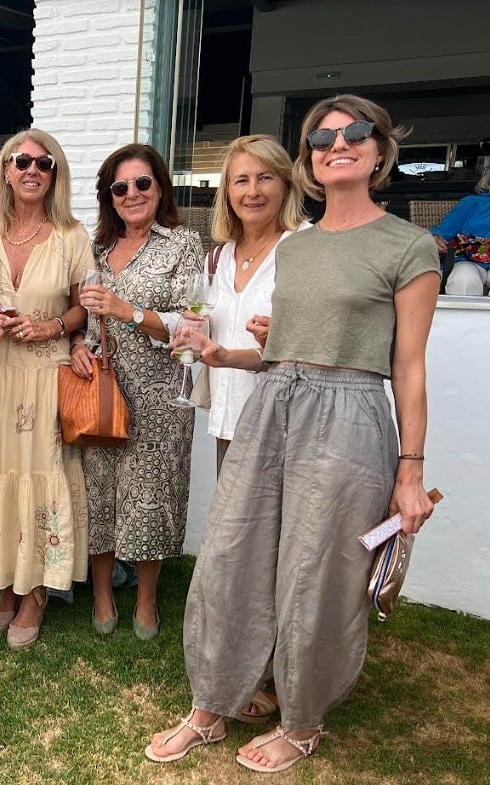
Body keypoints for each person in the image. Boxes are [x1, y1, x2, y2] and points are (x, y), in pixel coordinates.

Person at [147, 94, 439, 773]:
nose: (340, 144)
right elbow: (284, 348)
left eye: (356, 133)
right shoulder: (297, 247)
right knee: (230, 554)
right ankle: (211, 703)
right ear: (310, 157)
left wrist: (411, 469)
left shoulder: (408, 244)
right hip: (274, 403)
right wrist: (232, 355)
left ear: (379, 148)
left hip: (351, 412)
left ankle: (303, 721)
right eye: (323, 137)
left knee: (319, 572)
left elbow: (409, 365)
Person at [0, 129, 93, 649]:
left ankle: (37, 590)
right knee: (0, 471)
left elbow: (87, 305)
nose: (31, 171)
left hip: (47, 373)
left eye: (44, 164)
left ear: (55, 176)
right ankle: (7, 581)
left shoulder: (72, 235)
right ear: (4, 170)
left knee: (43, 472)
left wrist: (56, 327)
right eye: (21, 161)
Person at [74, 144, 203, 640]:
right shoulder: (97, 252)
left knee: (151, 495)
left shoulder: (183, 245)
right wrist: (79, 347)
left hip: (159, 394)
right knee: (101, 492)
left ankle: (146, 601)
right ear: (110, 197)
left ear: (160, 188)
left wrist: (128, 310)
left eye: (142, 183)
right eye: (120, 187)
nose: (132, 194)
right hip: (102, 388)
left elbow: (191, 323)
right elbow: (88, 318)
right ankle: (103, 595)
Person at [202, 135, 310, 476]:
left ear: (285, 184)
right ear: (228, 191)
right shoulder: (219, 257)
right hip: (229, 423)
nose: (253, 191)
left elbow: (319, 341)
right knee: (234, 529)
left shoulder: (306, 247)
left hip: (288, 427)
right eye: (241, 180)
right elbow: (207, 324)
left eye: (265, 177)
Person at [430, 167, 490, 295]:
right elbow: (442, 232)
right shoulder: (472, 203)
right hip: (469, 262)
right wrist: (434, 239)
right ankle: (462, 316)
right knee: (464, 278)